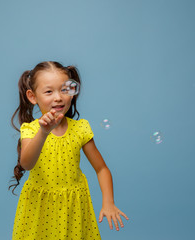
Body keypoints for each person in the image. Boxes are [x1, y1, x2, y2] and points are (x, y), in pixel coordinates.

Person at [9, 61, 129, 239]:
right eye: (49, 91)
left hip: (73, 205)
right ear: (32, 96)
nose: (58, 97)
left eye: (64, 90)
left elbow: (102, 169)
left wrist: (108, 202)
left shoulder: (80, 129)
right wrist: (43, 132)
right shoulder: (31, 130)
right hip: (39, 206)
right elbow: (27, 163)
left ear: (72, 93)